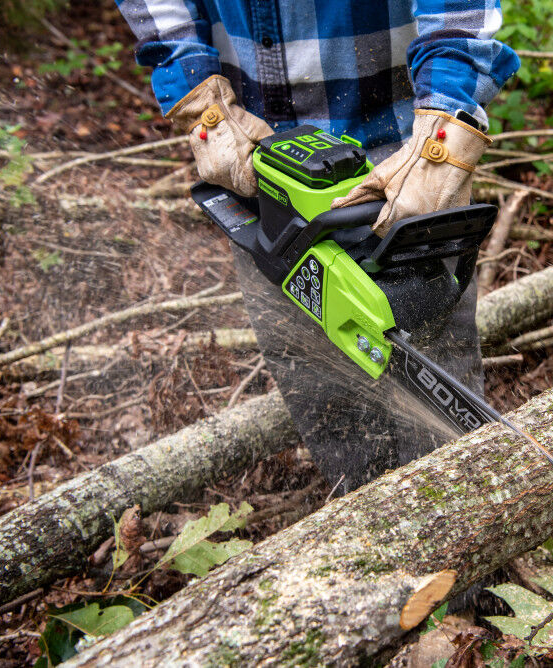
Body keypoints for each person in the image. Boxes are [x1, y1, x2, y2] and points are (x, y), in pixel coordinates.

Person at [117, 0, 520, 492]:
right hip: (258, 167)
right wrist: (199, 96)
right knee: (316, 383)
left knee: (438, 377)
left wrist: (444, 124)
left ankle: (467, 537)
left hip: (398, 171)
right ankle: (353, 534)